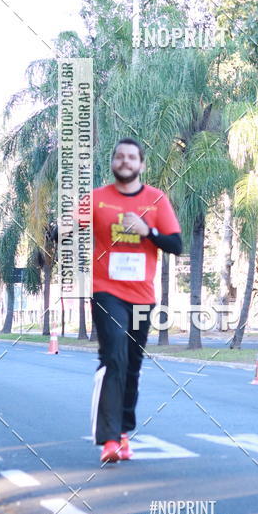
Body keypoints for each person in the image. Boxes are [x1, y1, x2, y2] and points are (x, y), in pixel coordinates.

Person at [91, 138, 182, 464]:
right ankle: (109, 440)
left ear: (141, 164)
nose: (125, 161)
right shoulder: (96, 199)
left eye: (131, 157)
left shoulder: (156, 199)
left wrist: (147, 231)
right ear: (113, 162)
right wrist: (57, 231)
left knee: (131, 365)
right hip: (106, 290)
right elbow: (68, 227)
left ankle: (124, 431)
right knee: (113, 356)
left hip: (142, 297)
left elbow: (175, 244)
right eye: (119, 156)